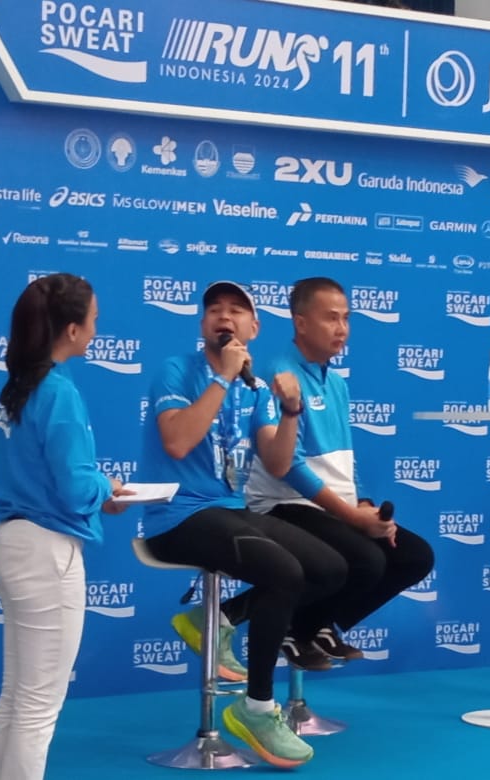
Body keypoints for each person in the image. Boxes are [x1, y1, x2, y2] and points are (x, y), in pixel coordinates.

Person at [141, 280, 347, 768]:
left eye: (236, 311)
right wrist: (221, 378)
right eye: (214, 309)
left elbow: (277, 461)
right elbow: (177, 442)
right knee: (284, 572)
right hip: (176, 516)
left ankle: (211, 621)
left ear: (253, 328)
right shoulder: (177, 371)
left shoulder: (254, 389)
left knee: (330, 568)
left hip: (232, 510)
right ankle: (257, 709)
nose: (224, 317)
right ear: (202, 324)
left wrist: (291, 410)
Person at [246, 276, 435, 669]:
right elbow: (290, 467)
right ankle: (291, 627)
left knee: (415, 557)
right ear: (301, 323)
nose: (342, 328)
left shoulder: (335, 381)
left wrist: (362, 503)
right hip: (285, 504)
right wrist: (351, 517)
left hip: (329, 506)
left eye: (346, 318)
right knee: (366, 560)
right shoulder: (280, 375)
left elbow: (346, 454)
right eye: (331, 318)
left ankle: (315, 624)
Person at [0, 273, 129, 780]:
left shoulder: (19, 386)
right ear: (71, 329)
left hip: (12, 540)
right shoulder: (59, 392)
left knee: (17, 697)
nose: (96, 329)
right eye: (94, 320)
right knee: (37, 706)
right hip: (46, 551)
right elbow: (73, 486)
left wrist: (97, 490)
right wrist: (106, 487)